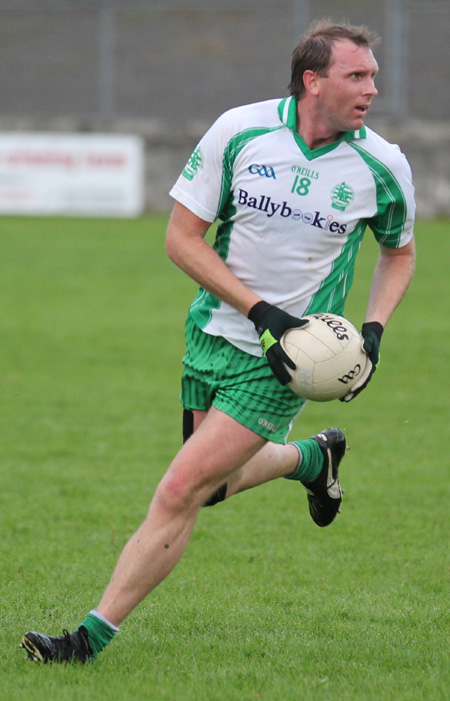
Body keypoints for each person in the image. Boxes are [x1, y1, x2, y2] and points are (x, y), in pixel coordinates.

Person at [21, 19, 415, 664]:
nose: (372, 87)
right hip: (212, 331)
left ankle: (85, 640)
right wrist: (259, 309)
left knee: (179, 491)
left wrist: (371, 331)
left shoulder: (381, 164)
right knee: (214, 486)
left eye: (373, 75)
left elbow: (399, 253)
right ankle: (310, 460)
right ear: (313, 81)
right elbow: (182, 238)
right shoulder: (242, 130)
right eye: (357, 75)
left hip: (286, 359)